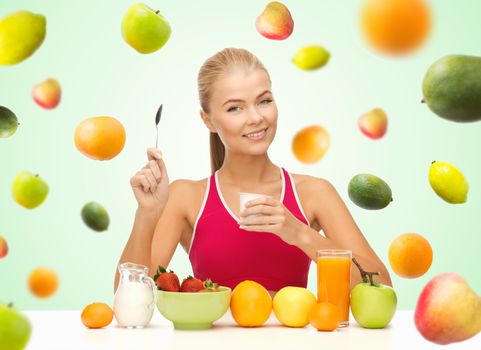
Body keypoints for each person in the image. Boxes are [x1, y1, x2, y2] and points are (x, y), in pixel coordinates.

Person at [114, 48, 392, 295]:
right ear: (208, 120)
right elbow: (129, 300)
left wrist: (302, 235)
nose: (256, 117)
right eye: (235, 108)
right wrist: (147, 214)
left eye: (264, 101)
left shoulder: (314, 193)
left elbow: (381, 287)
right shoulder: (186, 197)